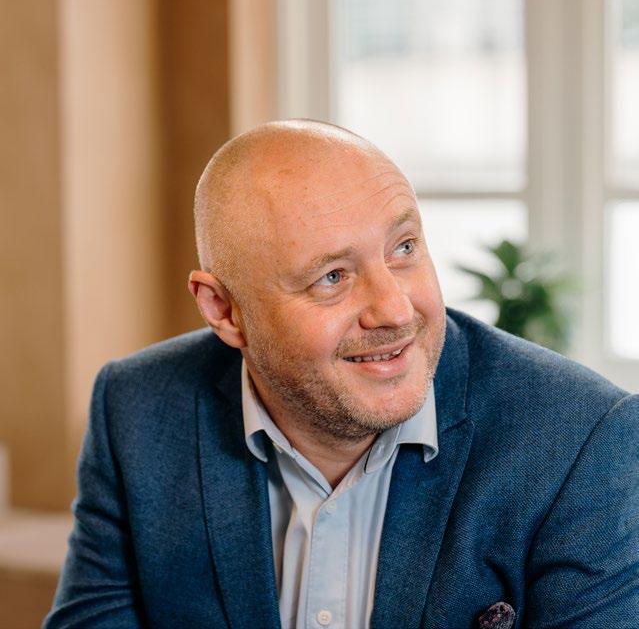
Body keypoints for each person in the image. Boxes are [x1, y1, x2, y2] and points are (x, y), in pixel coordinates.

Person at [45, 120, 638, 629]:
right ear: (223, 310)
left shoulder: (583, 441)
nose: (396, 311)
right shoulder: (137, 410)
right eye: (332, 277)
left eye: (403, 248)